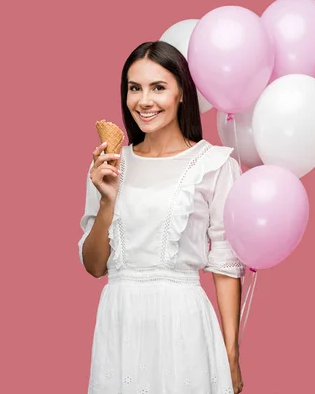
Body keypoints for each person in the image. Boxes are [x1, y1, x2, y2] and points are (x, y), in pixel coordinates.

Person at [78, 40, 246, 394]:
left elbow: (225, 265)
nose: (144, 100)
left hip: (182, 325)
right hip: (119, 325)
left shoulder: (215, 164)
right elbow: (95, 267)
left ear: (182, 92)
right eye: (134, 88)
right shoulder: (108, 166)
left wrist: (230, 354)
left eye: (158, 87)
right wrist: (108, 201)